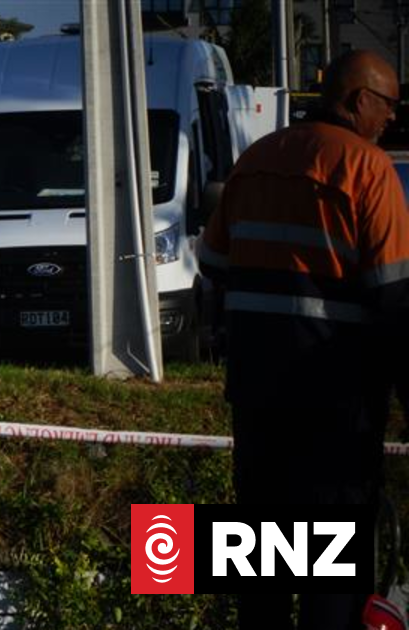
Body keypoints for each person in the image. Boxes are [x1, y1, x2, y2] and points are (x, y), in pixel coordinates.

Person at [196, 50, 409, 630]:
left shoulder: (255, 160)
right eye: (389, 104)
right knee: (332, 588)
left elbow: (213, 261)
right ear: (359, 100)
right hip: (335, 411)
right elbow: (396, 302)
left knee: (260, 570)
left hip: (258, 403)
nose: (392, 117)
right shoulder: (368, 169)